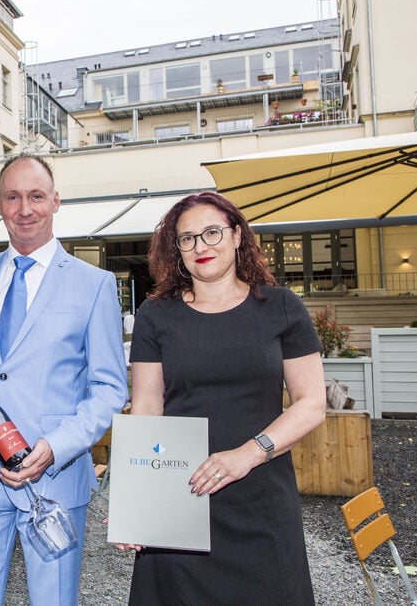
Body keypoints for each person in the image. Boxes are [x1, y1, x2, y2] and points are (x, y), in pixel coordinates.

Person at [0, 154, 128, 606]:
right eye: (13, 197)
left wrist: (57, 445)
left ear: (55, 202)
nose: (24, 208)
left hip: (55, 476)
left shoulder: (94, 284)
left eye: (36, 196)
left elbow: (111, 388)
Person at [120, 191, 326, 605]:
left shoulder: (282, 307)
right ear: (176, 250)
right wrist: (137, 504)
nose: (201, 246)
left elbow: (311, 403)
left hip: (260, 497)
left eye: (212, 232)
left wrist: (246, 455)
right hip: (180, 495)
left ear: (236, 236)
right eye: (188, 238)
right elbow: (146, 408)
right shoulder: (155, 315)